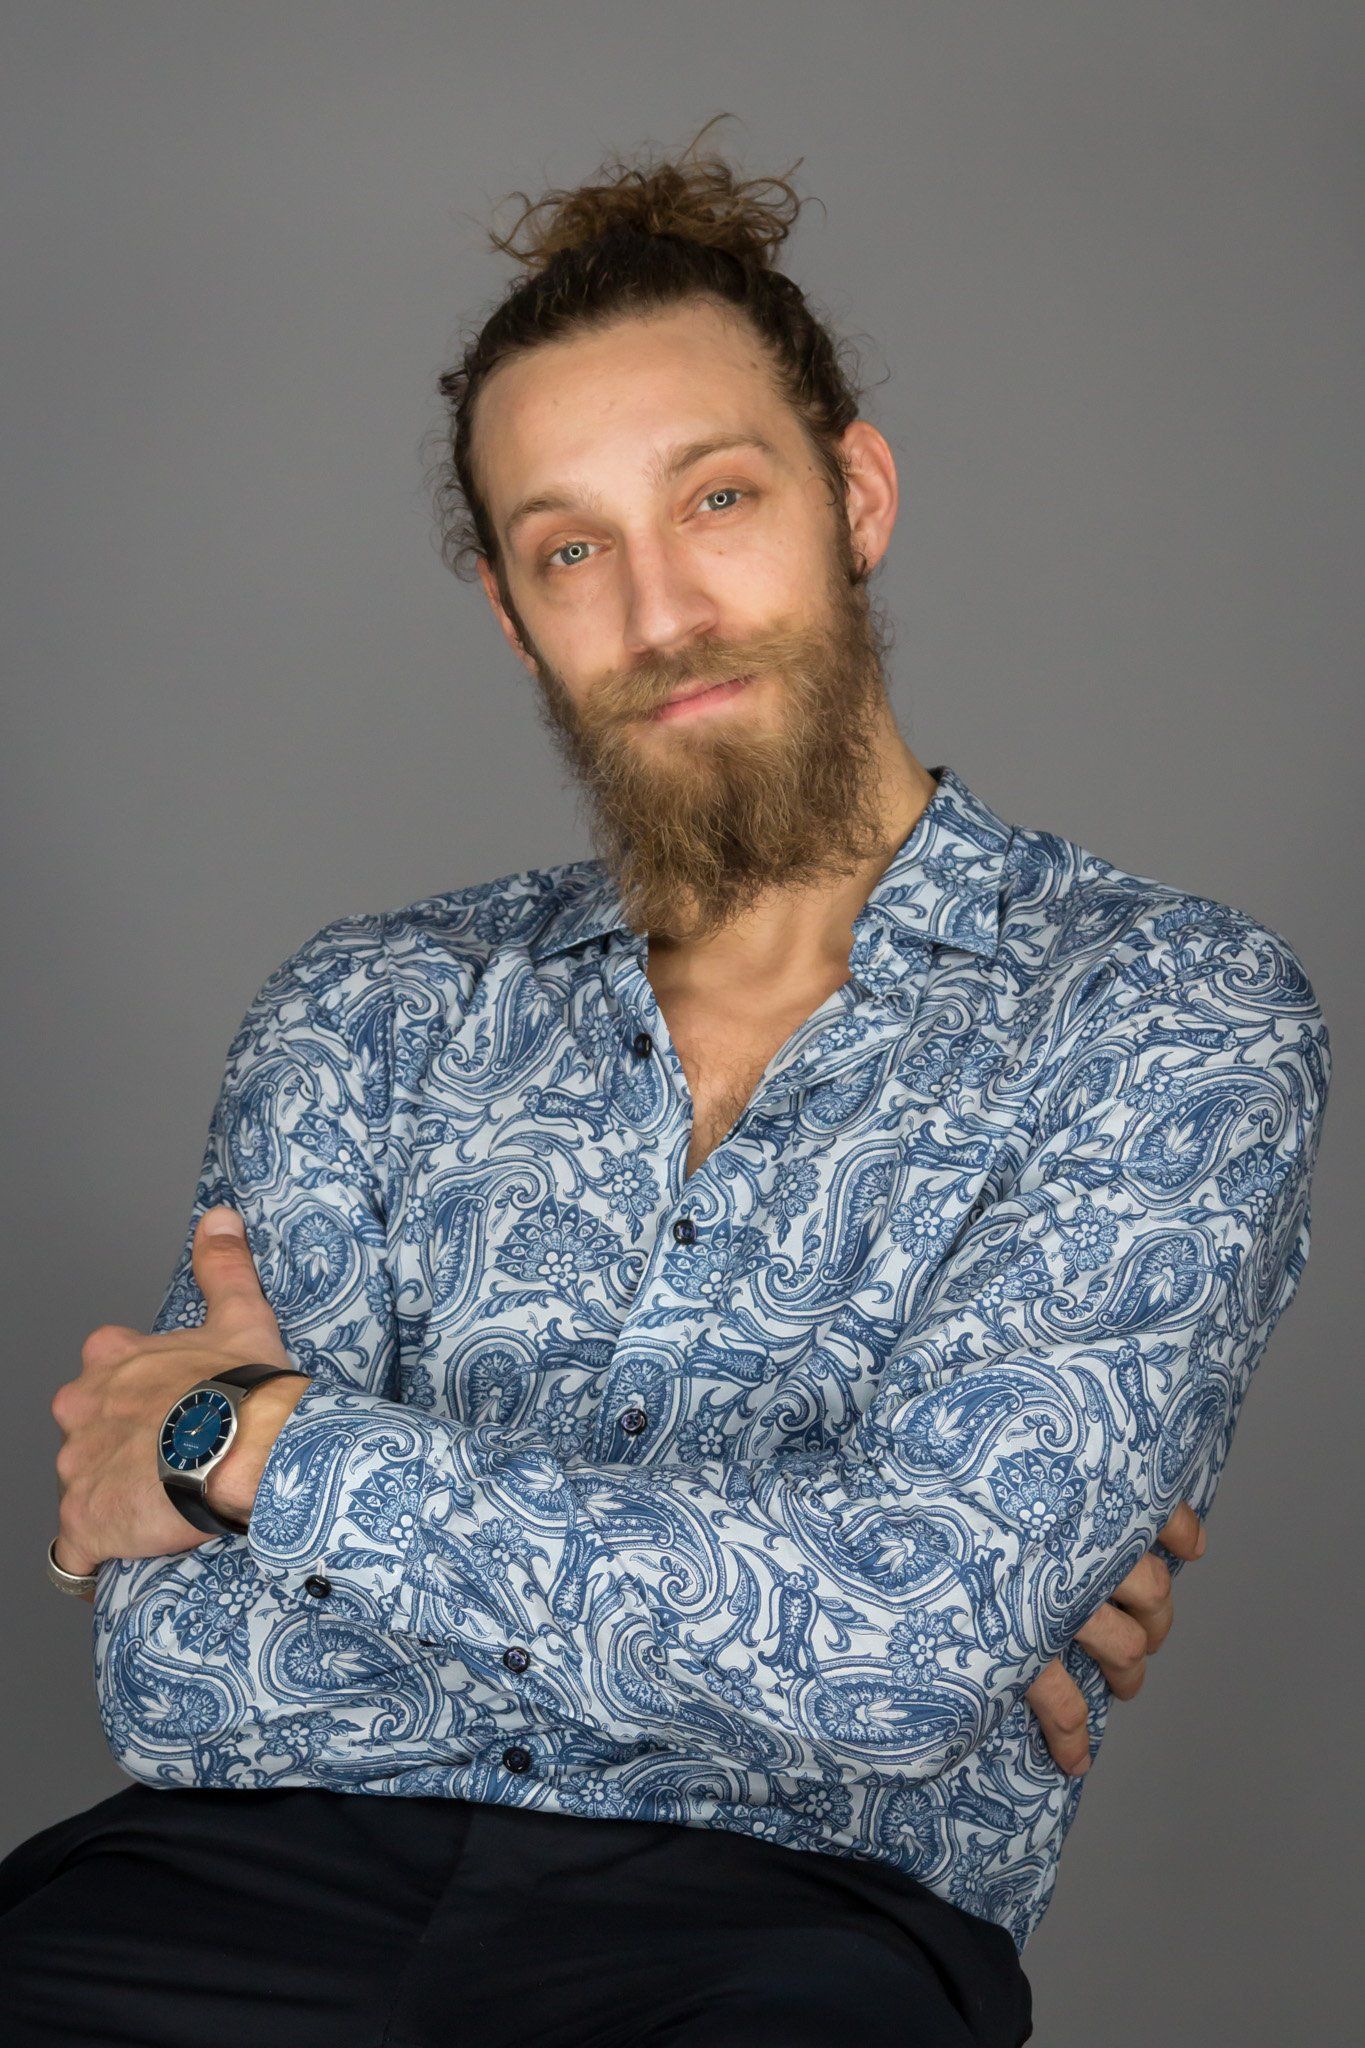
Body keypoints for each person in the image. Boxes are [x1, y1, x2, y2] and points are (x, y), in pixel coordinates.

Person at [3, 117, 1329, 2048]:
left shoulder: (1163, 1015)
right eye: (569, 548)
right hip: (218, 1890)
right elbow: (188, 1674)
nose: (660, 609)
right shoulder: (364, 1012)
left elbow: (889, 1662)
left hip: (781, 1942)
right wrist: (821, 1611)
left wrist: (254, 1454)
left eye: (716, 500)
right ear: (510, 613)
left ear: (852, 495)